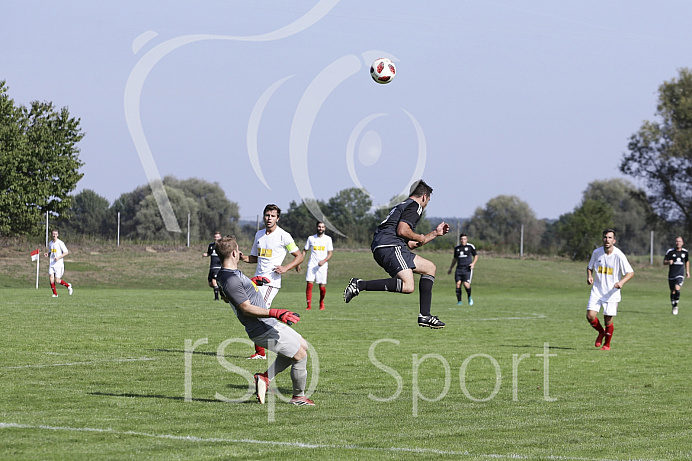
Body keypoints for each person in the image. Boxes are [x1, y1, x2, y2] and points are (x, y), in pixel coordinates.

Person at [215, 235, 314, 406]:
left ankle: (264, 378)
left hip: (266, 325)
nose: (240, 253)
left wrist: (252, 284)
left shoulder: (224, 275)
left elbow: (229, 297)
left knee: (302, 345)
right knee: (300, 355)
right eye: (238, 250)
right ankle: (299, 397)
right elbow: (245, 308)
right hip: (261, 327)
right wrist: (275, 312)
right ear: (233, 254)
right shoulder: (230, 279)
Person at [343, 180, 450, 328]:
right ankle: (359, 284)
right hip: (390, 245)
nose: (426, 205)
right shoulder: (415, 206)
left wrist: (435, 234)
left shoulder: (402, 206)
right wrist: (419, 236)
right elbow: (403, 231)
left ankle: (425, 315)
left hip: (386, 245)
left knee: (429, 268)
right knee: (408, 286)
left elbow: (410, 244)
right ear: (424, 197)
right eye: (428, 201)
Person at [240, 204, 304, 359]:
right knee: (254, 313)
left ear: (277, 218)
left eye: (272, 216)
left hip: (271, 282)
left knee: (260, 314)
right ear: (264, 216)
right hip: (257, 281)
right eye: (267, 215)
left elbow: (299, 256)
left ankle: (285, 344)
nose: (269, 218)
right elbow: (255, 258)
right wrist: (242, 258)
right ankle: (261, 352)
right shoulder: (259, 235)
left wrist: (285, 268)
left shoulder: (284, 236)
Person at [586, 229, 634, 351]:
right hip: (597, 290)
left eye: (610, 238)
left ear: (614, 240)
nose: (607, 240)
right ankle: (601, 333)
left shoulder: (619, 255)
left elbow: (630, 272)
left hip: (612, 293)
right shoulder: (597, 252)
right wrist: (590, 276)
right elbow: (589, 267)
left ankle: (607, 345)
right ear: (603, 239)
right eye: (605, 237)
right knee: (590, 315)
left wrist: (621, 282)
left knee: (608, 320)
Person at [302, 222, 333, 310]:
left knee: (322, 287)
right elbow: (304, 250)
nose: (320, 228)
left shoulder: (328, 239)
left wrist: (324, 261)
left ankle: (321, 303)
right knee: (309, 283)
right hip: (312, 265)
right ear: (316, 227)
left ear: (325, 228)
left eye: (322, 227)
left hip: (322, 266)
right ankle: (308, 306)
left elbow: (330, 253)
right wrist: (299, 262)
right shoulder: (311, 238)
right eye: (319, 227)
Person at [447, 233, 478, 305]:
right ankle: (459, 301)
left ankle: (469, 297)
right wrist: (451, 268)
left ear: (466, 239)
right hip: (459, 268)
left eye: (464, 239)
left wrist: (473, 264)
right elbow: (455, 259)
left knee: (466, 284)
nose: (463, 240)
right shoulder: (457, 248)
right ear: (460, 239)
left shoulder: (470, 247)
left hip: (467, 268)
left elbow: (476, 256)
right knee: (458, 284)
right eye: (461, 239)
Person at [663, 236, 689, 315]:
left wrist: (687, 271)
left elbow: (687, 261)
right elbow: (664, 262)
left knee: (677, 287)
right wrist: (668, 262)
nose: (678, 243)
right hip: (671, 274)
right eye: (677, 241)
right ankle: (674, 305)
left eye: (680, 241)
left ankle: (676, 306)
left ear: (682, 243)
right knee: (672, 291)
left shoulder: (685, 252)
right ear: (675, 242)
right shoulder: (670, 252)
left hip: (680, 274)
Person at [44, 229, 73, 298]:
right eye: (53, 234)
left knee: (57, 280)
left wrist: (59, 257)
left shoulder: (60, 243)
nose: (54, 235)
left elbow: (66, 252)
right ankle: (55, 294)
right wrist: (48, 254)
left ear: (57, 235)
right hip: (52, 263)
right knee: (51, 278)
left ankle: (68, 286)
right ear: (52, 234)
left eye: (56, 234)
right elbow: (51, 252)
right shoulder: (50, 243)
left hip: (59, 264)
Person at [203, 231, 222, 300]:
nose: (216, 238)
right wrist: (206, 254)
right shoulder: (211, 245)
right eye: (215, 237)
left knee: (214, 281)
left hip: (218, 267)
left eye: (217, 237)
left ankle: (216, 298)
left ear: (220, 238)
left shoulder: (222, 246)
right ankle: (222, 291)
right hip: (212, 267)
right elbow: (209, 253)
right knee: (210, 283)